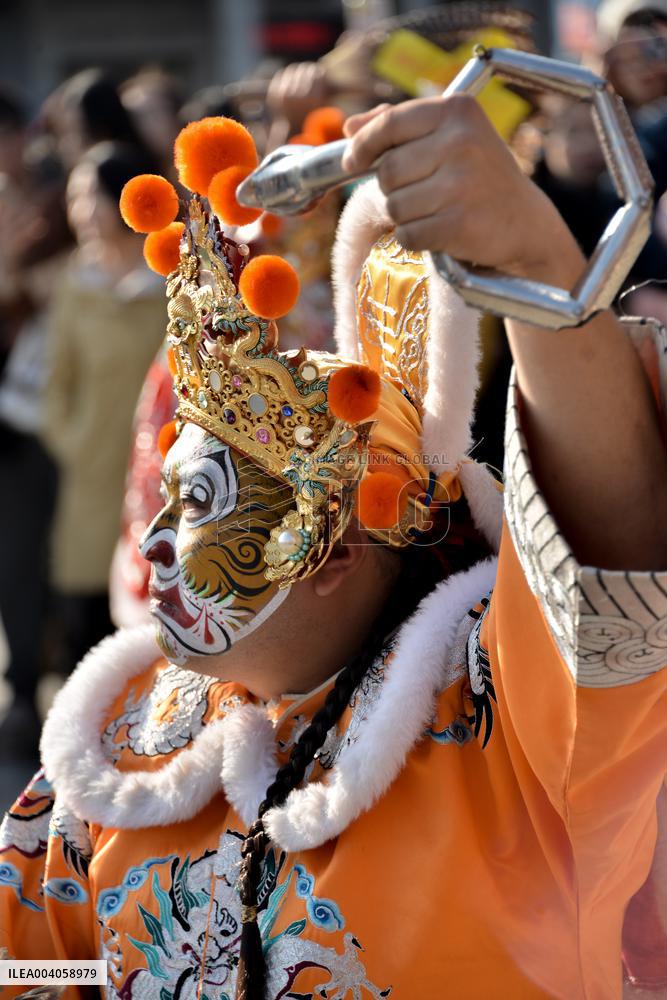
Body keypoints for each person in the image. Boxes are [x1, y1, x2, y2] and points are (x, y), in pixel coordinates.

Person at [0, 94, 665, 1000]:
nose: (153, 544)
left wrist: (532, 265)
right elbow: (35, 957)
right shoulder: (122, 742)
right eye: (168, 499)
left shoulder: (499, 723)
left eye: (195, 504)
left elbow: (611, 565)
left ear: (335, 547)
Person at [41, 141, 167, 677]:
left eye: (91, 196)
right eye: (75, 198)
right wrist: (74, 442)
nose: (82, 212)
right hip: (90, 473)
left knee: (150, 616)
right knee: (85, 624)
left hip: (159, 476)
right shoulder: (75, 285)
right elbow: (54, 384)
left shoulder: (168, 280)